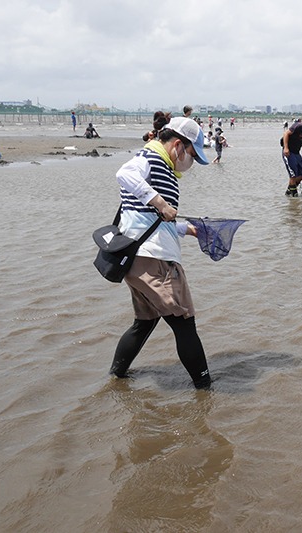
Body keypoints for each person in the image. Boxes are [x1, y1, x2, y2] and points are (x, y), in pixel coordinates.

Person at [109, 116, 212, 389]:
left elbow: (151, 218)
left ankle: (115, 378)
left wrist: (187, 229)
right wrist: (159, 200)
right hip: (154, 260)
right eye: (192, 154)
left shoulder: (165, 168)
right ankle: (206, 390)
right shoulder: (148, 158)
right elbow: (125, 174)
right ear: (178, 145)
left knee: (144, 322)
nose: (191, 163)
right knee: (184, 323)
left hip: (138, 259)